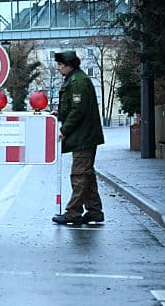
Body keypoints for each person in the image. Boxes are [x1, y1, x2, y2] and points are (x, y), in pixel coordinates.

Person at [51, 50, 106, 225]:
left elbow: (78, 110)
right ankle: (94, 211)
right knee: (86, 175)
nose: (58, 68)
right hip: (85, 135)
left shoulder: (79, 82)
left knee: (79, 175)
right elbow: (74, 107)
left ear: (70, 65)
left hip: (84, 136)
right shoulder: (75, 80)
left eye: (60, 65)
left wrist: (63, 130)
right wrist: (59, 113)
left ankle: (73, 213)